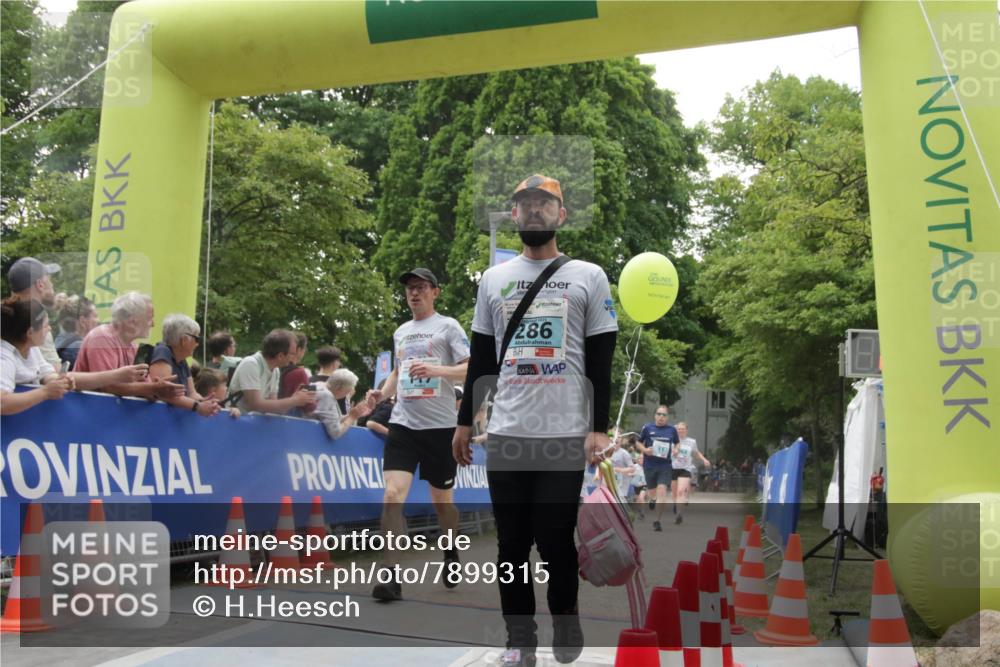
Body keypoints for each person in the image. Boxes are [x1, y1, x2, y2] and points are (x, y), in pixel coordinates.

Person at [454, 174, 618, 667]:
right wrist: (465, 423)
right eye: (524, 203)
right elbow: (482, 359)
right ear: (514, 214)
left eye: (544, 203)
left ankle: (565, 617)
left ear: (561, 215)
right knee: (511, 548)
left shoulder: (589, 276)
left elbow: (601, 358)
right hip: (506, 434)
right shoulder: (493, 280)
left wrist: (598, 426)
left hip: (563, 434)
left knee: (553, 541)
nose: (533, 210)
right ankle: (519, 642)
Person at [370, 267, 470, 603]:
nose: (414, 293)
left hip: (440, 429)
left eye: (421, 287)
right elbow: (397, 373)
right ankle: (391, 576)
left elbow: (471, 368)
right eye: (410, 288)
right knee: (391, 494)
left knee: (443, 504)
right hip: (403, 425)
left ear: (435, 292)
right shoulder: (401, 332)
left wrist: (437, 370)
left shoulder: (448, 326)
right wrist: (380, 395)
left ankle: (451, 550)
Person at [1, 298, 148, 415]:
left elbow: (50, 376)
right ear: (30, 333)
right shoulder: (4, 357)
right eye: (46, 326)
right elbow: (2, 402)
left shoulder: (32, 349)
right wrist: (45, 392)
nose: (50, 329)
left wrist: (62, 381)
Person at [74, 291, 185, 401]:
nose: (153, 324)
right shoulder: (101, 337)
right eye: (150, 318)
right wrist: (153, 388)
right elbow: (107, 386)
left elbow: (145, 388)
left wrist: (159, 389)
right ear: (132, 322)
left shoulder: (134, 347)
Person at [148, 314, 224, 418]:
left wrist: (205, 401)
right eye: (196, 338)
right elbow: (164, 393)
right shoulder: (162, 352)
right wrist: (198, 406)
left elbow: (192, 394)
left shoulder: (182, 361)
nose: (197, 344)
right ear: (184, 340)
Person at [227, 329, 316, 415]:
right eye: (292, 354)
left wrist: (295, 399)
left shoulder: (275, 370)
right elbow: (255, 405)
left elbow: (274, 408)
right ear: (280, 356)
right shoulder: (251, 363)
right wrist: (294, 400)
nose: (294, 358)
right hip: (235, 423)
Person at [7, 257, 62, 367]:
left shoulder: (7, 317)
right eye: (49, 280)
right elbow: (56, 373)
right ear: (40, 284)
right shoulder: (36, 323)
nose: (52, 285)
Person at [638, 405, 678, 532]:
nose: (661, 417)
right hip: (649, 465)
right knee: (652, 492)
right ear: (655, 415)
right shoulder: (647, 428)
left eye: (664, 415)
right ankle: (653, 499)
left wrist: (676, 449)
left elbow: (677, 442)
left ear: (667, 417)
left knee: (662, 491)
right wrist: (645, 450)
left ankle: (657, 521)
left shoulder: (672, 430)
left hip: (665, 466)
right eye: (659, 414)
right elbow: (638, 442)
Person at [311, 368, 378, 439]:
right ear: (340, 390)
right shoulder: (327, 396)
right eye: (348, 391)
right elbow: (335, 433)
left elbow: (331, 419)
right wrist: (352, 418)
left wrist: (351, 415)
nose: (348, 395)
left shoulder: (318, 386)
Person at [671, 422, 710, 524]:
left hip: (686, 469)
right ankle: (676, 505)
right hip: (673, 468)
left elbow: (696, 453)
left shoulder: (691, 442)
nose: (680, 431)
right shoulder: (672, 440)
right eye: (678, 429)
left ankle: (679, 513)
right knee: (675, 493)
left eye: (682, 429)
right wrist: (673, 452)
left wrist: (704, 460)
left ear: (686, 430)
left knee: (681, 491)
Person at [54, 295, 100, 370]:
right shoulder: (79, 348)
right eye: (95, 316)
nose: (98, 320)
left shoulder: (60, 340)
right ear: (82, 321)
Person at [278, 332, 310, 399]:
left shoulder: (274, 367)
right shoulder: (300, 373)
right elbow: (309, 405)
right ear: (299, 350)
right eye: (304, 349)